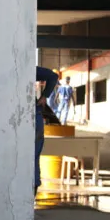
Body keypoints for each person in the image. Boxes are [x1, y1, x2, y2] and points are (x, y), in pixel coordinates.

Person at [36, 67, 60, 197]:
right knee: (33, 157)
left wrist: (44, 96)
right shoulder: (27, 68)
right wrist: (45, 96)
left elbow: (53, 77)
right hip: (34, 116)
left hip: (33, 116)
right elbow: (53, 76)